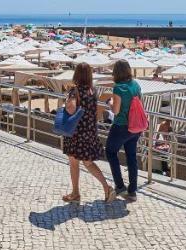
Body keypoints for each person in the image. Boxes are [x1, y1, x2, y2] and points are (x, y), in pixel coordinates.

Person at [60, 63, 114, 203]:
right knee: (88, 162)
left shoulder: (75, 91)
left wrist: (66, 100)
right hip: (89, 130)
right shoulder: (92, 91)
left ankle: (77, 193)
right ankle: (105, 187)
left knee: (74, 163)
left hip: (76, 132)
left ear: (76, 74)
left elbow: (71, 109)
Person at [104, 59, 143, 201]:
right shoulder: (136, 85)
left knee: (110, 152)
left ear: (116, 72)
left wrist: (110, 102)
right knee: (131, 156)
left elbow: (116, 110)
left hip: (121, 126)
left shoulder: (118, 88)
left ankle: (120, 186)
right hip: (135, 127)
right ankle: (132, 191)